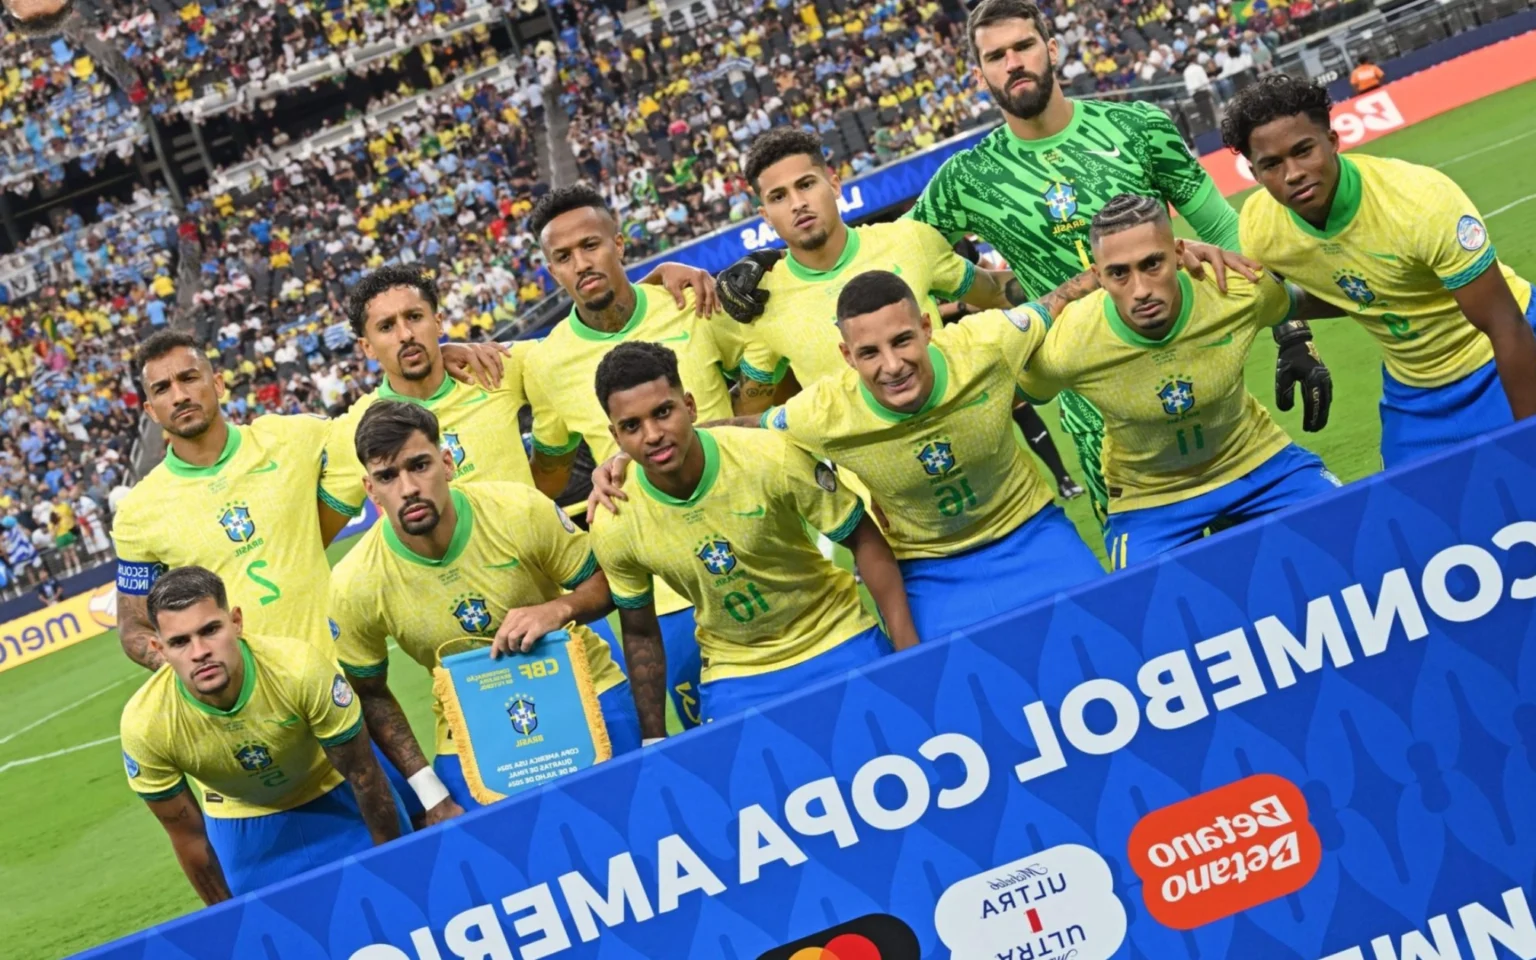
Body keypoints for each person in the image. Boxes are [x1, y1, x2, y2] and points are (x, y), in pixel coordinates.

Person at [904, 0, 1332, 525]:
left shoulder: (1140, 127)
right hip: (1097, 419)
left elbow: (1225, 232)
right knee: (1163, 595)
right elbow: (906, 263)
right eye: (996, 56)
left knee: (1291, 549)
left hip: (1205, 381)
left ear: (1051, 48)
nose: (1013, 62)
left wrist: (1293, 333)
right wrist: (989, 288)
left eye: (1023, 46)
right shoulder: (966, 178)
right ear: (980, 73)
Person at [603, 269, 1106, 640]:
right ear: (847, 357)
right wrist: (634, 455)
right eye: (869, 353)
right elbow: (741, 424)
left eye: (903, 340)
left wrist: (1174, 258)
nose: (892, 366)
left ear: (929, 328)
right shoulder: (823, 411)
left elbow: (1059, 300)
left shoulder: (987, 341)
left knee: (1112, 635)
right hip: (930, 570)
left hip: (1033, 532)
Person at [329, 402, 639, 818]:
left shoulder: (516, 510)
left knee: (638, 827)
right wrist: (430, 793)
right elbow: (369, 692)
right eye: (388, 476)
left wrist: (557, 608)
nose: (407, 489)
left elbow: (605, 582)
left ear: (447, 462)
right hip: (471, 738)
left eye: (419, 465)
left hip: (587, 696)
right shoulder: (355, 582)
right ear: (371, 490)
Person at [588, 343, 919, 731]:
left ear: (690, 407)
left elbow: (862, 538)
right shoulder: (614, 519)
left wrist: (908, 653)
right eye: (632, 426)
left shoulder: (769, 456)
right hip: (737, 671)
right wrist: (653, 740)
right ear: (615, 435)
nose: (653, 434)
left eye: (663, 412)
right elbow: (641, 632)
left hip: (836, 634)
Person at [522, 184, 752, 730]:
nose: (581, 263)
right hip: (661, 587)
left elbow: (768, 370)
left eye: (591, 245)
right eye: (563, 256)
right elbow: (551, 469)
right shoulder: (547, 362)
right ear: (551, 271)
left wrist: (733, 436)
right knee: (715, 741)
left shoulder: (692, 301)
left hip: (754, 539)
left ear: (619, 245)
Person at [1222, 74, 1536, 467]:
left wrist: (1529, 441)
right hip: (1415, 390)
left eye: (1303, 151)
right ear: (1253, 173)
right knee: (1419, 515)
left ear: (1333, 142)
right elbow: (1354, 293)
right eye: (1271, 164)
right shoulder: (1260, 226)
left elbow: (1504, 323)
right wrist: (1291, 334)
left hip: (1503, 350)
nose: (1293, 173)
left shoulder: (1418, 200)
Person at [1013, 195, 1341, 568]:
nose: (1141, 290)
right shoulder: (1068, 344)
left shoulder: (1230, 290)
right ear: (1098, 277)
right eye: (1119, 273)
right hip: (1150, 501)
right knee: (1153, 612)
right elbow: (1003, 396)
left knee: (1353, 533)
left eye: (1153, 263)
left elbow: (1321, 297)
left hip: (1260, 464)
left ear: (1179, 253)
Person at [118, 566, 409, 903]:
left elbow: (364, 776)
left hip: (337, 793)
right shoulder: (145, 723)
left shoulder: (298, 670)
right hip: (243, 824)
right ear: (159, 648)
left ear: (236, 622)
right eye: (180, 642)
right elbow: (188, 838)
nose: (199, 652)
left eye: (210, 630)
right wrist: (231, 925)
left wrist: (394, 867)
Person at [110, 331, 347, 671]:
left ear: (218, 384)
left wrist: (438, 356)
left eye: (189, 378)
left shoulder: (290, 437)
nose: (179, 396)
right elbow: (134, 627)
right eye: (162, 388)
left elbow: (372, 419)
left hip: (344, 674)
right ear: (151, 411)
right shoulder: (137, 512)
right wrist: (198, 672)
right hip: (249, 706)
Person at [321, 266, 535, 518]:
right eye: (387, 326)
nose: (406, 335)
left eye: (414, 317)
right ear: (367, 347)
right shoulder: (355, 428)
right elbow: (315, 538)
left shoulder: (492, 365)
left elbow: (575, 349)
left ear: (438, 322)